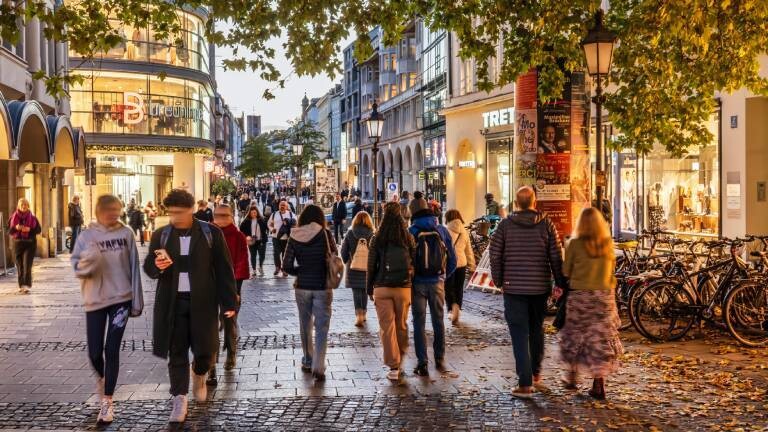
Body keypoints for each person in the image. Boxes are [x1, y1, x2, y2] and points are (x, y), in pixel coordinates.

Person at [143, 189, 237, 424]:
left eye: (180, 212)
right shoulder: (162, 234)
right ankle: (179, 398)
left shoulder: (210, 233)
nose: (175, 217)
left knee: (206, 350)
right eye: (171, 212)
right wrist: (156, 265)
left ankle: (199, 372)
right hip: (172, 303)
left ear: (191, 210)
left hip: (203, 302)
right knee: (176, 351)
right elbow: (148, 268)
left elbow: (224, 268)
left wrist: (229, 301)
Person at [71, 194, 144, 424]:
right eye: (109, 210)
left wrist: (137, 301)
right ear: (99, 211)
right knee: (94, 352)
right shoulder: (87, 236)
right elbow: (76, 267)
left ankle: (107, 401)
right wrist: (89, 261)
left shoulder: (126, 234)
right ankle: (102, 380)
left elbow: (134, 267)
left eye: (116, 209)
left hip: (120, 299)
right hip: (95, 300)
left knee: (111, 349)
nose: (114, 214)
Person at [489, 186, 566, 398]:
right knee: (536, 329)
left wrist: (499, 280)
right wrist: (559, 282)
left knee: (519, 333)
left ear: (516, 203)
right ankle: (535, 374)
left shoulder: (505, 225)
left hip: (513, 287)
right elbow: (556, 254)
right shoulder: (546, 224)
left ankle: (524, 383)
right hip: (539, 287)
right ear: (534, 202)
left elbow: (495, 253)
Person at [559, 207, 623, 400]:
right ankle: (598, 382)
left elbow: (566, 270)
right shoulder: (607, 244)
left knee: (575, 335)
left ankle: (572, 376)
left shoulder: (574, 244)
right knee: (599, 338)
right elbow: (612, 269)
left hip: (581, 296)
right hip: (604, 297)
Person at [281, 204, 337, 382]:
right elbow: (334, 255)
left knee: (305, 324)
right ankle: (318, 366)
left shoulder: (294, 235)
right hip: (322, 285)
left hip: (302, 286)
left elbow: (286, 265)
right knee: (322, 327)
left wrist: (301, 272)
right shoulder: (325, 234)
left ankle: (307, 359)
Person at [366, 202, 415, 381]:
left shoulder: (377, 237)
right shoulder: (407, 236)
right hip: (403, 287)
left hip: (382, 287)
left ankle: (393, 366)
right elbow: (414, 259)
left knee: (387, 327)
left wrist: (369, 288)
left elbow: (371, 265)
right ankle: (400, 356)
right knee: (401, 324)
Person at [408, 196, 456, 376]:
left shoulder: (411, 231)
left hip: (417, 283)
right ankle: (439, 357)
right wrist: (442, 276)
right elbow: (453, 259)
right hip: (437, 282)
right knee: (438, 320)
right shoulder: (441, 230)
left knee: (418, 322)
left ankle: (422, 362)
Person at [209, 204, 249, 385]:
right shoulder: (207, 234)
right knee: (210, 326)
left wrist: (236, 290)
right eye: (218, 215)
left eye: (225, 215)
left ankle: (231, 354)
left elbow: (242, 263)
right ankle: (211, 363)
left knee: (229, 322)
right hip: (210, 286)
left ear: (231, 216)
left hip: (230, 287)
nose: (221, 219)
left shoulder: (238, 236)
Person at [340, 211, 374, 327]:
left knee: (356, 291)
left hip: (353, 267)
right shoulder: (372, 234)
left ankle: (358, 315)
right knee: (365, 290)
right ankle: (364, 313)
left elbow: (344, 251)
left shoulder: (350, 233)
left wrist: (346, 260)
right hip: (367, 268)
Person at [444, 209, 475, 325]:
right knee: (459, 288)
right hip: (462, 263)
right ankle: (458, 308)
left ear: (448, 218)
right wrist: (472, 266)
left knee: (448, 287)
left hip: (449, 263)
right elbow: (469, 251)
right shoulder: (464, 232)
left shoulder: (446, 231)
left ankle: (451, 309)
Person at [8, 198, 41, 294]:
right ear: (18, 206)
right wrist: (15, 227)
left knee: (27, 265)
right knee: (19, 266)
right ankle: (21, 285)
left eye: (25, 205)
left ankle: (26, 285)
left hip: (29, 244)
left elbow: (38, 230)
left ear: (28, 206)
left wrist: (29, 230)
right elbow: (9, 231)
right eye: (22, 205)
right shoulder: (13, 217)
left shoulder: (33, 218)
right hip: (17, 244)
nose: (23, 206)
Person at [268, 200, 296, 277]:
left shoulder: (291, 214)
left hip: (287, 238)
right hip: (276, 237)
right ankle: (277, 267)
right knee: (276, 253)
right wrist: (271, 229)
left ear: (287, 206)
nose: (282, 206)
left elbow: (295, 224)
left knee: (285, 255)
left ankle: (284, 270)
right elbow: (269, 224)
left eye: (284, 205)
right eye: (281, 205)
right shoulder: (274, 214)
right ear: (278, 206)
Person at [239, 206, 269, 277]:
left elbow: (267, 227)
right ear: (249, 213)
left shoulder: (262, 220)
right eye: (252, 213)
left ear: (257, 212)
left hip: (261, 240)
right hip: (251, 241)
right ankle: (254, 270)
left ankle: (260, 266)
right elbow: (241, 229)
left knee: (262, 255)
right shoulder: (246, 221)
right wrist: (247, 236)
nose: (254, 214)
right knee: (253, 255)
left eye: (255, 213)